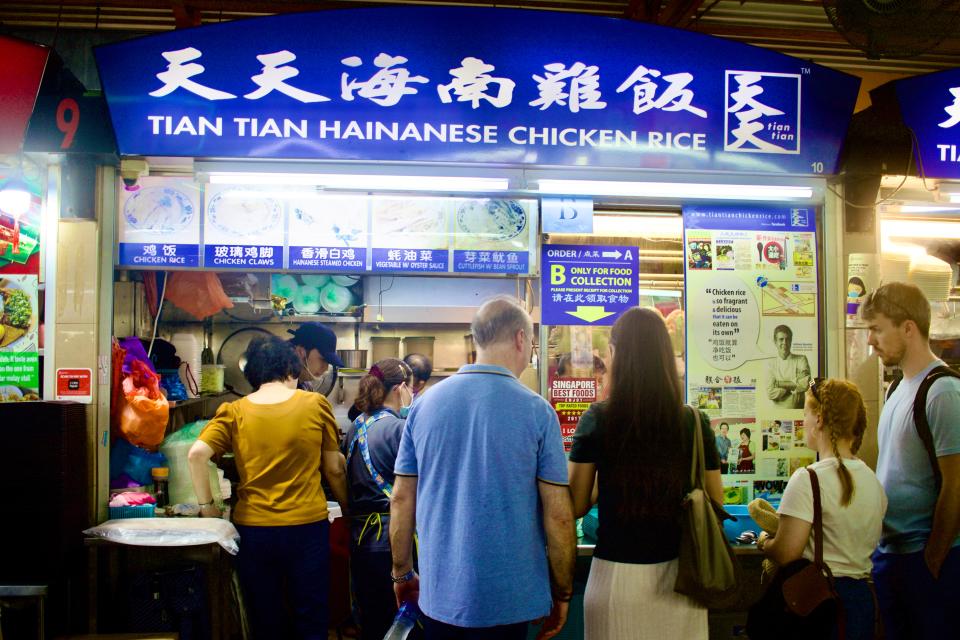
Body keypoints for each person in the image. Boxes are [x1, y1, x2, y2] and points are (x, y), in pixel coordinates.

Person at [390, 297, 576, 640]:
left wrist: (402, 574)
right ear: (521, 339)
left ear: (477, 340)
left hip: (440, 597)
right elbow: (559, 515)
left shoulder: (423, 405)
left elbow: (401, 499)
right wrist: (563, 591)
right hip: (512, 603)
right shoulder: (537, 412)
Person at [567, 307, 722, 640]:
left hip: (616, 579)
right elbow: (715, 501)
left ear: (615, 354)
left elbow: (576, 504)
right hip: (683, 578)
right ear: (665, 357)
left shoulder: (598, 418)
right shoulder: (694, 422)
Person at [188, 335, 348, 640]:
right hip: (306, 528)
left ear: (253, 373)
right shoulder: (314, 404)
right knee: (311, 618)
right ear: (291, 368)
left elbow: (196, 455)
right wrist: (348, 511)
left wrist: (208, 509)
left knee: (266, 619)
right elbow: (334, 469)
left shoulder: (234, 410)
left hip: (255, 531)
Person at [862, 282, 960, 639]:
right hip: (892, 556)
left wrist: (934, 556)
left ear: (908, 327)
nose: (871, 340)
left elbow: (956, 483)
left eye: (876, 328)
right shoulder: (897, 388)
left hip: (927, 560)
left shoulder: (942, 392)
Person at [757, 378, 886, 640]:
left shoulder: (808, 479)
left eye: (805, 413)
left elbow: (786, 553)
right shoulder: (873, 481)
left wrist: (764, 542)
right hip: (861, 602)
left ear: (819, 418)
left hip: (819, 602)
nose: (802, 421)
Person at [342, 358, 414, 640]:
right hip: (394, 540)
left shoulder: (354, 427)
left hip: (361, 540)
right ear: (401, 388)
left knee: (372, 622)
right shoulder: (399, 429)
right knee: (402, 624)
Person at [288, 322, 345, 390]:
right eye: (322, 360)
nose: (326, 368)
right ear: (301, 351)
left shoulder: (304, 385)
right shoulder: (276, 381)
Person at [765, 324, 811, 409]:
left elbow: (807, 384)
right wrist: (794, 384)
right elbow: (770, 393)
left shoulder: (801, 359)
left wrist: (779, 384)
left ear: (791, 340)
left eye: (787, 339)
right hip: (777, 413)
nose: (784, 343)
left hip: (798, 411)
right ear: (775, 342)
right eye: (781, 339)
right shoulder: (770, 364)